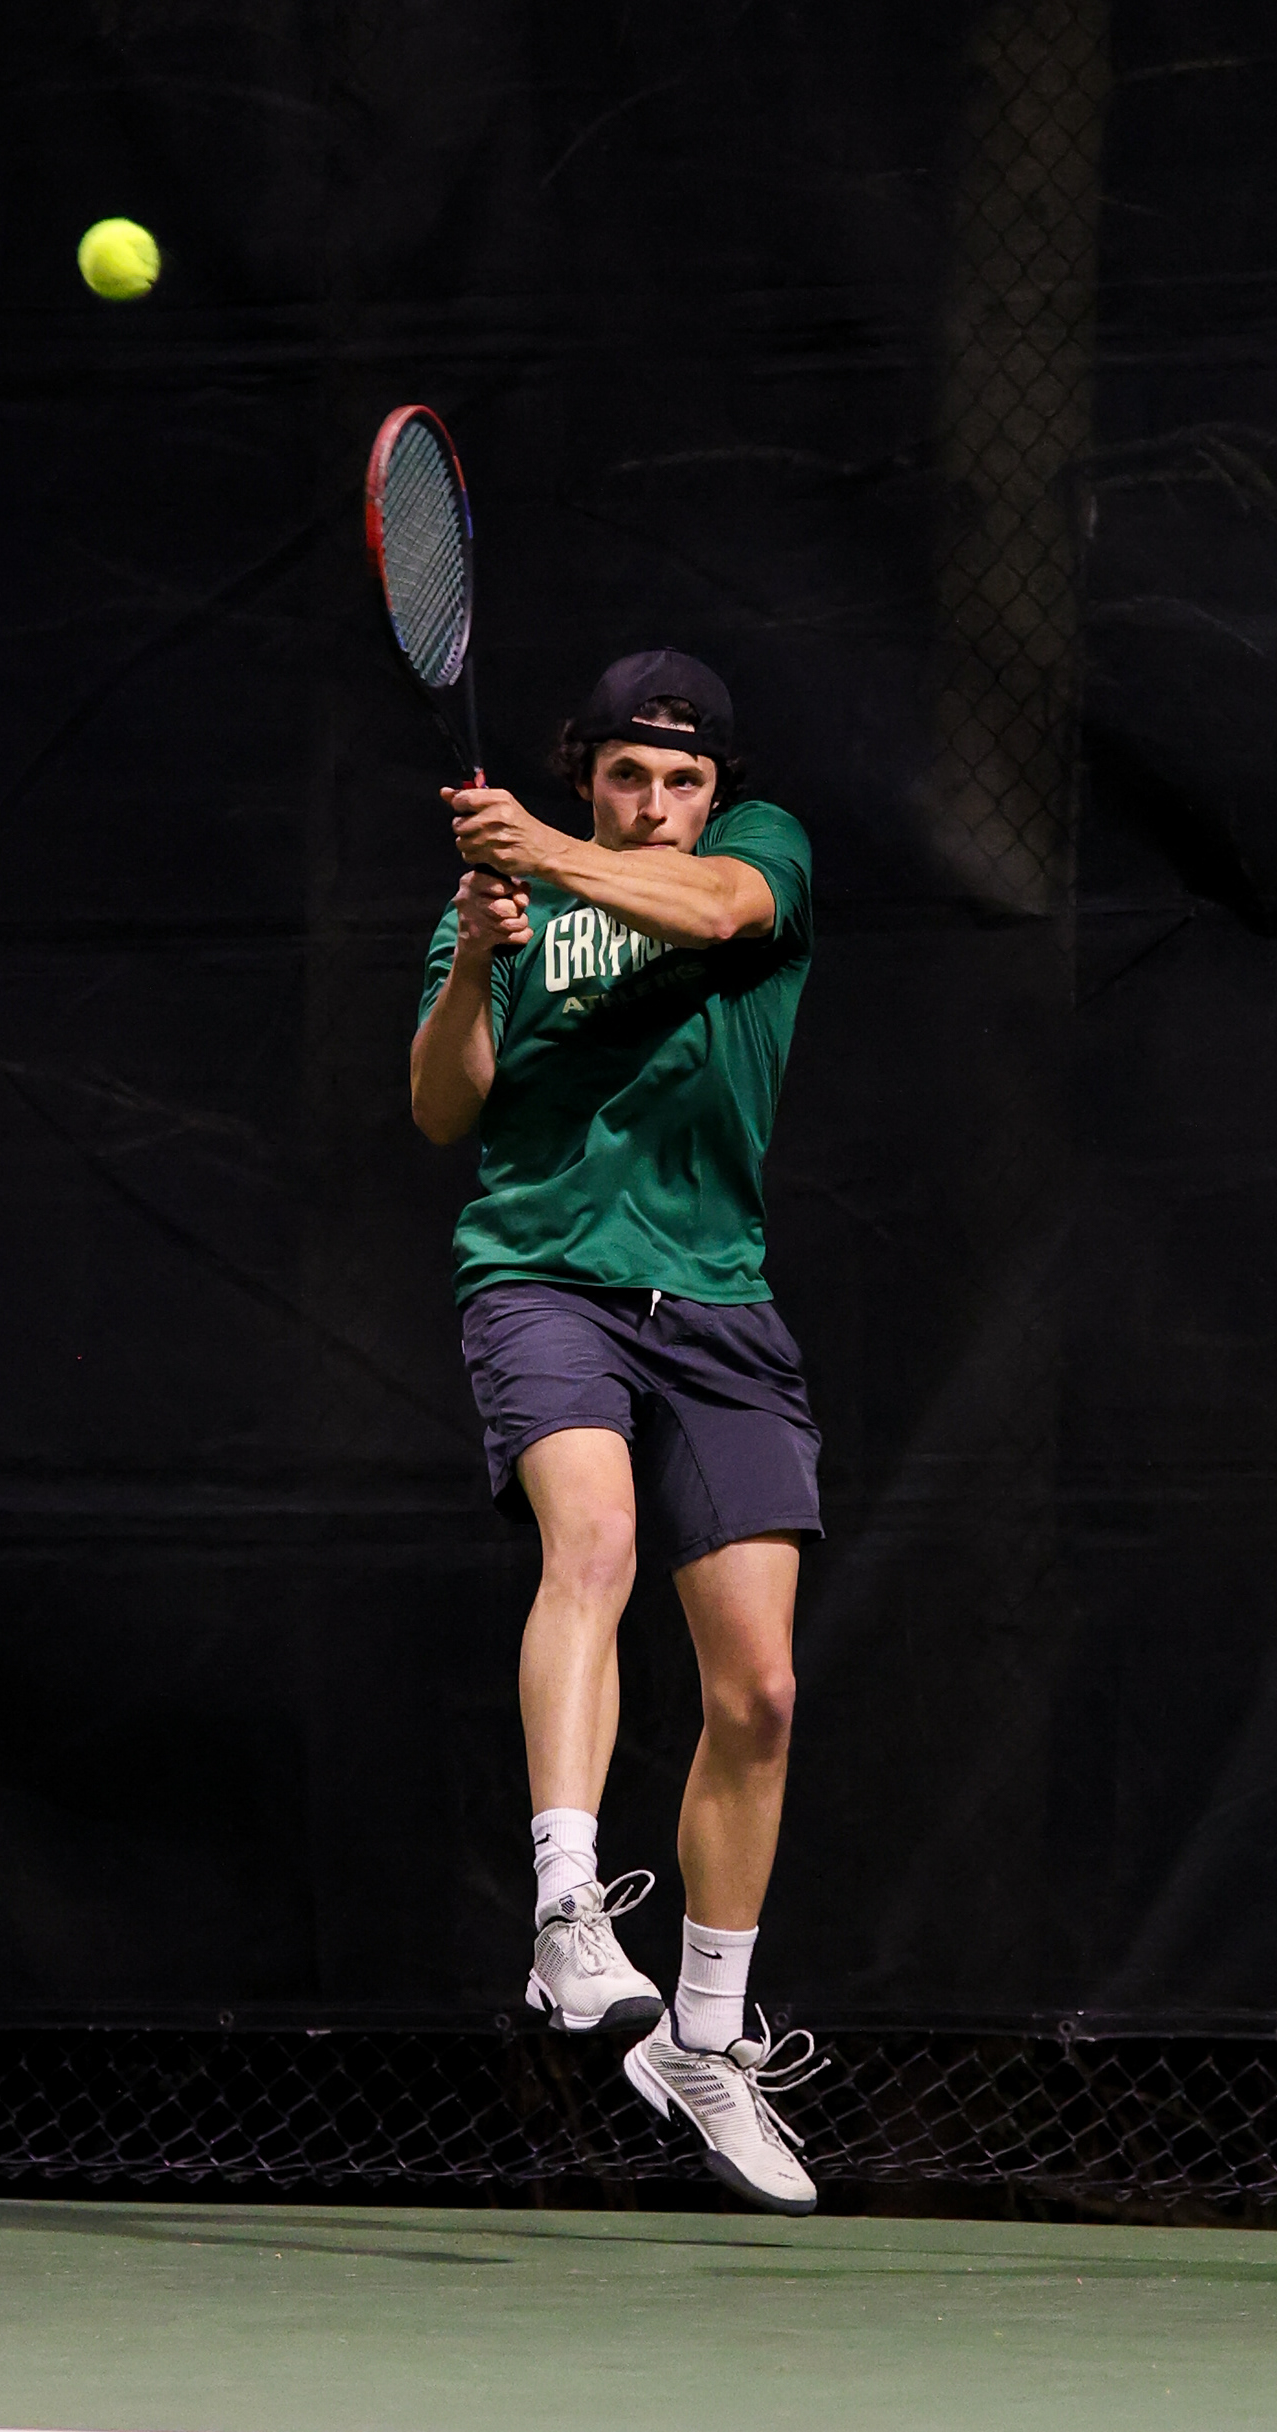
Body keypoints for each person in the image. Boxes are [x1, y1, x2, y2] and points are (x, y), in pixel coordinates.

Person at [410, 648, 824, 2213]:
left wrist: (540, 850)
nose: (657, 804)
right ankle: (570, 1913)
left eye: (683, 781)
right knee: (592, 1540)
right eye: (628, 775)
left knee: (766, 1692)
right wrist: (470, 957)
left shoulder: (758, 855)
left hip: (719, 1304)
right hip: (541, 1281)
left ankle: (704, 2046)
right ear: (588, 767)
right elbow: (447, 1110)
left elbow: (718, 915)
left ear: (718, 791)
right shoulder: (508, 902)